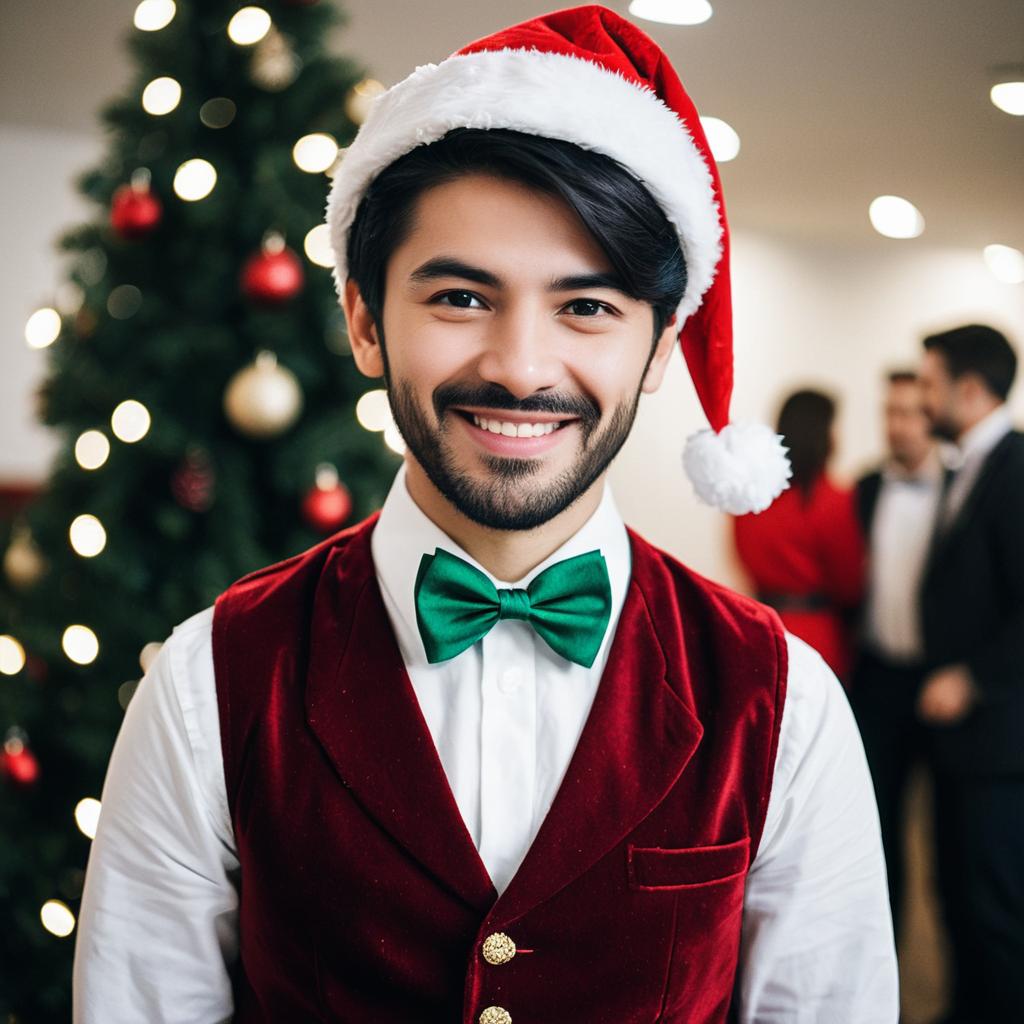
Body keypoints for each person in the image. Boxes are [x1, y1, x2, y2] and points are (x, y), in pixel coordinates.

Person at [73, 7, 897, 1022]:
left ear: (655, 347)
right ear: (364, 322)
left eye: (587, 306)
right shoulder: (208, 680)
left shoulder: (785, 701)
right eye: (461, 297)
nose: (519, 367)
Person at [916, 324, 1024, 1023]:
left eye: (930, 384)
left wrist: (972, 678)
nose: (922, 397)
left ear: (971, 388)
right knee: (955, 894)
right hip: (959, 738)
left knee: (996, 910)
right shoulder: (966, 464)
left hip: (1002, 740)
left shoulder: (1017, 468)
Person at [850, 370, 942, 942]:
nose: (898, 425)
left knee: (952, 835)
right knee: (877, 827)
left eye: (910, 413)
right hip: (877, 677)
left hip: (940, 682)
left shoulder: (961, 486)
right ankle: (888, 954)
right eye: (890, 412)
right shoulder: (864, 488)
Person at [733, 389, 865, 681]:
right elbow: (849, 584)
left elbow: (742, 556)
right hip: (818, 639)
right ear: (822, 434)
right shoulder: (832, 500)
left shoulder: (751, 497)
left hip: (760, 630)